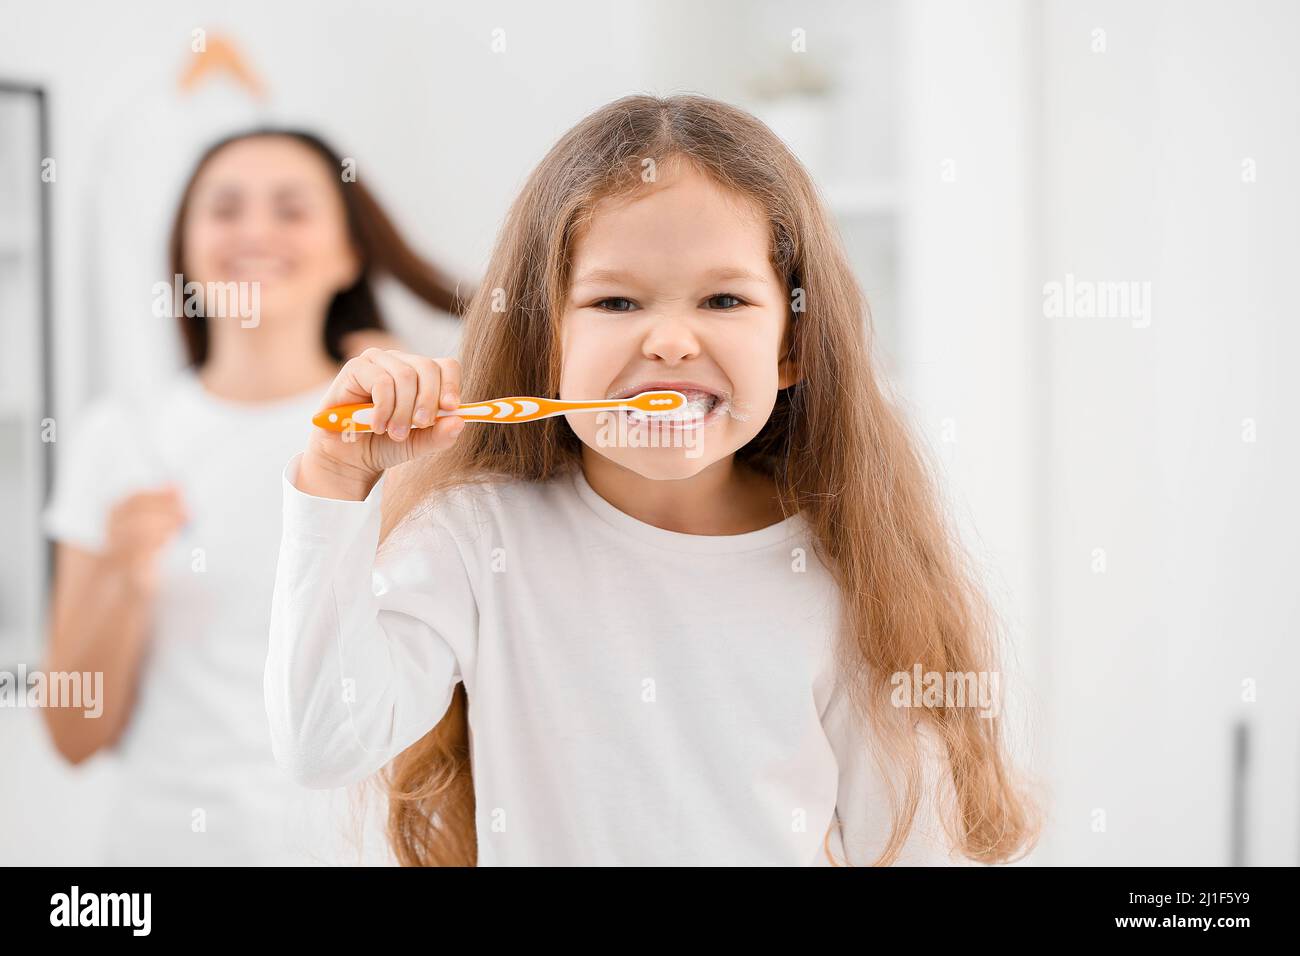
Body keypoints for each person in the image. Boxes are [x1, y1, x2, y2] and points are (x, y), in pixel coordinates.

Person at [266, 95, 1040, 866]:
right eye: (616, 301)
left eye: (724, 299)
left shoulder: (845, 569)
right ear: (547, 347)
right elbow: (324, 742)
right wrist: (333, 479)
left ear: (791, 347)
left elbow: (911, 850)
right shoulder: (478, 540)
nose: (670, 340)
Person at [41, 127, 466, 865]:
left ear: (349, 253)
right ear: (184, 250)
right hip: (163, 850)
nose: (255, 232)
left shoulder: (413, 433)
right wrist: (121, 580)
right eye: (225, 209)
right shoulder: (122, 438)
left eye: (291, 209)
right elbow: (73, 736)